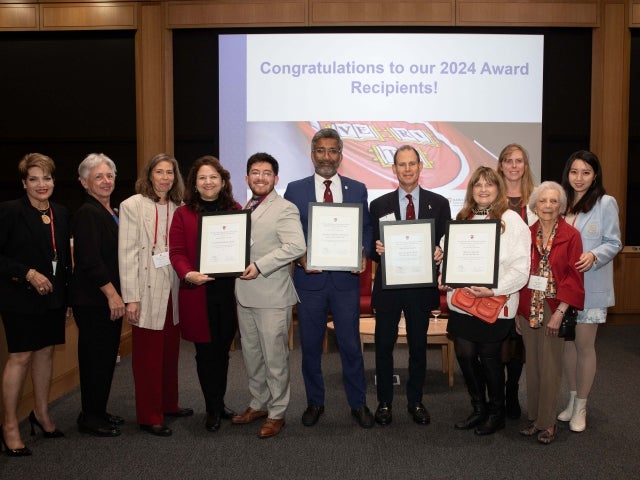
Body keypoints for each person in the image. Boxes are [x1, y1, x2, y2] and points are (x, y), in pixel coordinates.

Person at [284, 127, 375, 428]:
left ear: (340, 155)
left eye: (332, 150)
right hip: (310, 282)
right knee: (309, 346)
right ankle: (314, 402)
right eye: (321, 151)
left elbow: (365, 227)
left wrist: (362, 251)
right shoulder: (295, 189)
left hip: (345, 282)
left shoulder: (357, 188)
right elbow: (289, 232)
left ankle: (358, 404)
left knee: (350, 345)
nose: (327, 156)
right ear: (312, 155)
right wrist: (300, 257)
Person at [443, 166, 530, 435]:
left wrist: (492, 290)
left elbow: (521, 268)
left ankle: (496, 412)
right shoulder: (463, 217)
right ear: (471, 190)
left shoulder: (511, 220)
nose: (483, 189)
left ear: (498, 188)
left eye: (489, 184)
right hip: (463, 304)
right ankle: (478, 408)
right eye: (477, 184)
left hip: (493, 303)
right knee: (465, 356)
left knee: (490, 359)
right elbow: (448, 255)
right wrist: (444, 275)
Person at [369, 145, 451, 426]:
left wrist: (441, 249)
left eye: (412, 164)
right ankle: (384, 402)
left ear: (420, 167)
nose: (407, 169)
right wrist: (375, 247)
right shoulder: (378, 205)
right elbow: (369, 247)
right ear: (394, 169)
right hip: (389, 288)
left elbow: (446, 239)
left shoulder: (439, 203)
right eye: (401, 164)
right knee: (383, 347)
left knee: (419, 347)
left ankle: (415, 401)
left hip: (420, 288)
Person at [118, 153, 193, 437]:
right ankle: (149, 415)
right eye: (159, 172)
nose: (165, 177)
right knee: (148, 357)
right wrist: (131, 297)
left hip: (173, 289)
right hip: (145, 290)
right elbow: (126, 255)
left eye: (170, 173)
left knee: (170, 353)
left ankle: (168, 404)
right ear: (149, 175)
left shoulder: (180, 206)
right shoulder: (132, 206)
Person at [0, 153, 70, 456]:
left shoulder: (61, 213)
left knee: (45, 353)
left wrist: (65, 297)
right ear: (24, 183)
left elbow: (63, 260)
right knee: (21, 357)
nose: (42, 184)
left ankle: (41, 415)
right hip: (19, 297)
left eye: (47, 178)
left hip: (53, 297)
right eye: (34, 179)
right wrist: (27, 273)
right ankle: (9, 427)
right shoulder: (9, 211)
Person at [233, 153, 306, 439]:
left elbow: (296, 245)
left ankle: (277, 412)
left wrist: (261, 265)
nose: (260, 177)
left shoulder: (285, 208)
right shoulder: (245, 207)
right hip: (245, 294)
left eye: (266, 173)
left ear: (276, 179)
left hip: (273, 296)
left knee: (274, 359)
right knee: (252, 356)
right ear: (246, 177)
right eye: (255, 172)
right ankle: (258, 403)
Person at [169, 155, 240, 433]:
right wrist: (188, 273)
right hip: (198, 293)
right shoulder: (183, 214)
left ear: (222, 182)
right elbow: (176, 252)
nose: (208, 182)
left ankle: (219, 403)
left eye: (213, 177)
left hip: (226, 292)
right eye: (202, 178)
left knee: (222, 352)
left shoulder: (234, 209)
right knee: (205, 354)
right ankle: (212, 408)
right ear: (194, 184)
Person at [557, 151, 622, 432]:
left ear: (595, 175)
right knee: (567, 346)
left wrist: (594, 255)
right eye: (574, 172)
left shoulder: (605, 203)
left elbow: (614, 242)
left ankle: (582, 405)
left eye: (585, 172)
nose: (579, 178)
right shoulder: (561, 203)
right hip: (563, 288)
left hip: (591, 287)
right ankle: (571, 400)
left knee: (584, 346)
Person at [517, 181, 585, 445]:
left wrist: (561, 312)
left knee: (551, 366)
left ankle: (548, 422)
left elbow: (573, 276)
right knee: (532, 365)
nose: (547, 206)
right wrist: (516, 312)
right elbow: (520, 272)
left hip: (554, 306)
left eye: (553, 201)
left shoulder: (571, 235)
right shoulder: (527, 233)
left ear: (561, 206)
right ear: (535, 205)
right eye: (543, 201)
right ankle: (534, 418)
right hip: (528, 305)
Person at [71, 153, 126, 437]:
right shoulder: (87, 213)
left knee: (104, 358)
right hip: (95, 301)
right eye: (98, 177)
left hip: (106, 299)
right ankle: (91, 418)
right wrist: (112, 295)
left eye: (109, 175)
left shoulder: (111, 212)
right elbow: (89, 260)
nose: (106, 181)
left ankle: (97, 410)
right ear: (84, 182)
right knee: (95, 359)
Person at [496, 143, 538, 420]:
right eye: (508, 161)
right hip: (500, 282)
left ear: (525, 165)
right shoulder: (491, 200)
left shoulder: (537, 200)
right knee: (498, 342)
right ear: (500, 166)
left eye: (519, 161)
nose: (514, 166)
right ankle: (498, 394)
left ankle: (512, 392)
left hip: (529, 282)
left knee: (518, 342)